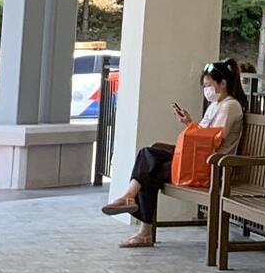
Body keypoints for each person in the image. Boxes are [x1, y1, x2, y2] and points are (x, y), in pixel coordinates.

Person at [102, 60, 247, 248]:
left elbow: (214, 140)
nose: (206, 90)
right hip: (199, 159)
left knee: (151, 170)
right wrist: (189, 123)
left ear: (223, 83)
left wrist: (191, 127)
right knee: (148, 153)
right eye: (204, 86)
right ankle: (130, 198)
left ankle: (142, 226)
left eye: (208, 85)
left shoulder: (230, 106)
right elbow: (203, 136)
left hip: (212, 166)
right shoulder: (215, 105)